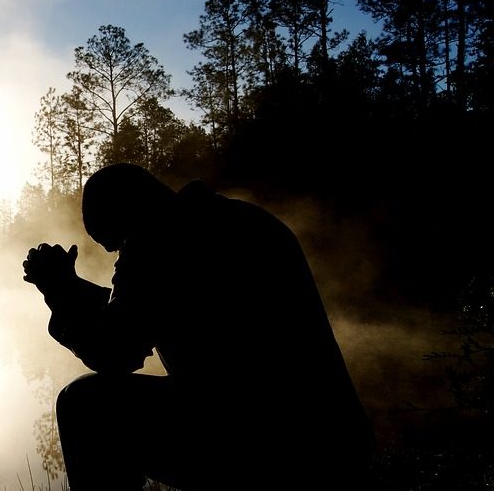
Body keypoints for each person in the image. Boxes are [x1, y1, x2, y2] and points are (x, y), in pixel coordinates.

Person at [22, 163, 374, 491]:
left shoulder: (157, 241)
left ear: (128, 214)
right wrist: (72, 287)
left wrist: (59, 292)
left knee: (84, 405)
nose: (119, 256)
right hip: (337, 439)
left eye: (118, 244)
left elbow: (116, 351)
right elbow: (149, 307)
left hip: (263, 448)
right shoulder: (241, 219)